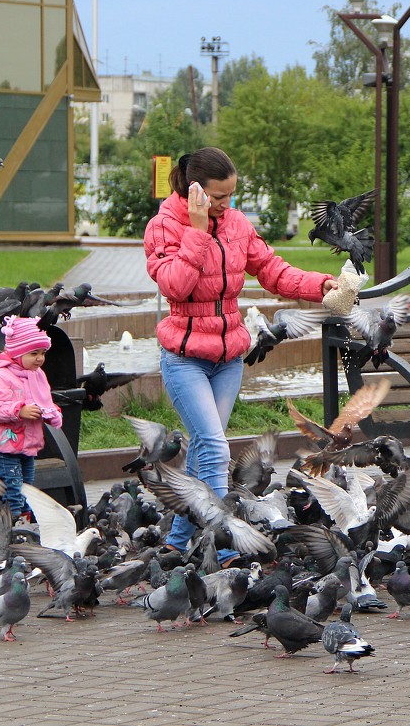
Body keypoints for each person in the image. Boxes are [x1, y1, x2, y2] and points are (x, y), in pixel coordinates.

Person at [144, 147, 338, 561]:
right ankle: (221, 547)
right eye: (217, 197)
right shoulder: (163, 226)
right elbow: (175, 287)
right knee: (214, 447)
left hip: (228, 358)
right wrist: (196, 231)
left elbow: (273, 271)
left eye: (230, 196)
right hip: (184, 357)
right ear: (193, 189)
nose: (225, 205)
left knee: (201, 452)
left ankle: (177, 546)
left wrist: (319, 284)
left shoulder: (235, 224)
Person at [0, 316, 62, 519]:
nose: (40, 358)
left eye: (43, 353)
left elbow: (44, 401)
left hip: (27, 445)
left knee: (27, 488)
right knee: (13, 489)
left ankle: (25, 523)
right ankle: (12, 523)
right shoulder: (2, 376)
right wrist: (19, 410)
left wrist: (51, 413)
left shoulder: (36, 375)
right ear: (17, 352)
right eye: (34, 353)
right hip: (5, 445)